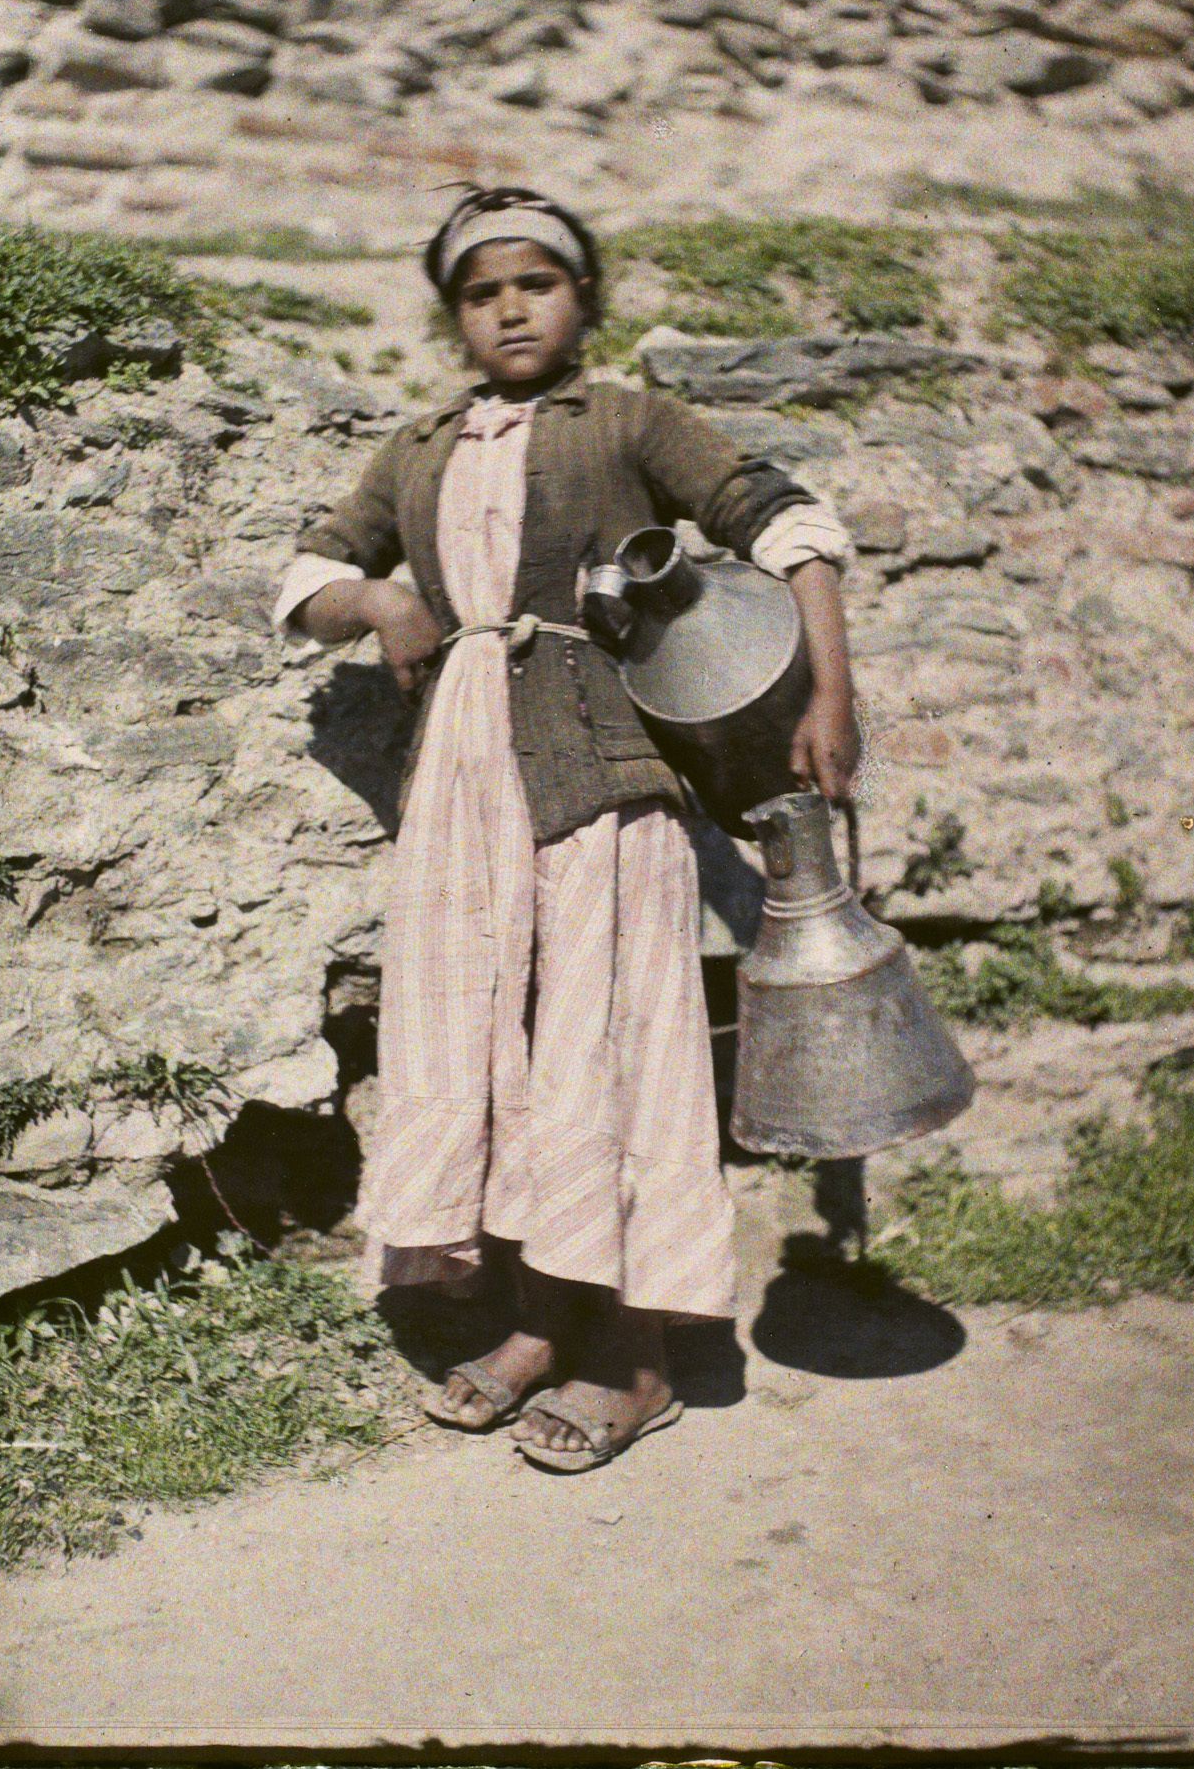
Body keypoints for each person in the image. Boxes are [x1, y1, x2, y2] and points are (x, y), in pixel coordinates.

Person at [273, 185, 859, 1473]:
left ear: (583, 299)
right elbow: (304, 580)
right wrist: (381, 601)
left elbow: (790, 525)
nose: (510, 311)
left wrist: (832, 690)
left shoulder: (631, 422)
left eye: (536, 284)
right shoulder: (419, 449)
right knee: (493, 1038)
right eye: (481, 294)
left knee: (607, 1040)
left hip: (598, 763)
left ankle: (639, 1358)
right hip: (461, 780)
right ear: (455, 319)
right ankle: (540, 1322)